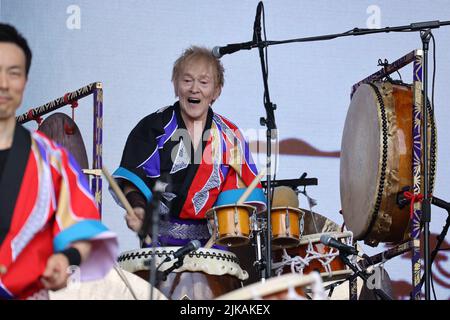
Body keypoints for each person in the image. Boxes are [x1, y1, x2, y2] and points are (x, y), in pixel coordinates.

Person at [0, 23, 118, 299]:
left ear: (25, 82)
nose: (4, 83)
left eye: (13, 73)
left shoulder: (51, 159)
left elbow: (82, 225)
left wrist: (66, 259)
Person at [112, 46, 266, 247]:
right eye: (187, 80)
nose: (195, 88)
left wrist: (224, 216)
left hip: (211, 242)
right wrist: (138, 208)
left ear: (216, 91)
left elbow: (239, 186)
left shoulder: (229, 135)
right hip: (159, 240)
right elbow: (134, 176)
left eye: (204, 82)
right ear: (176, 86)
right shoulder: (154, 127)